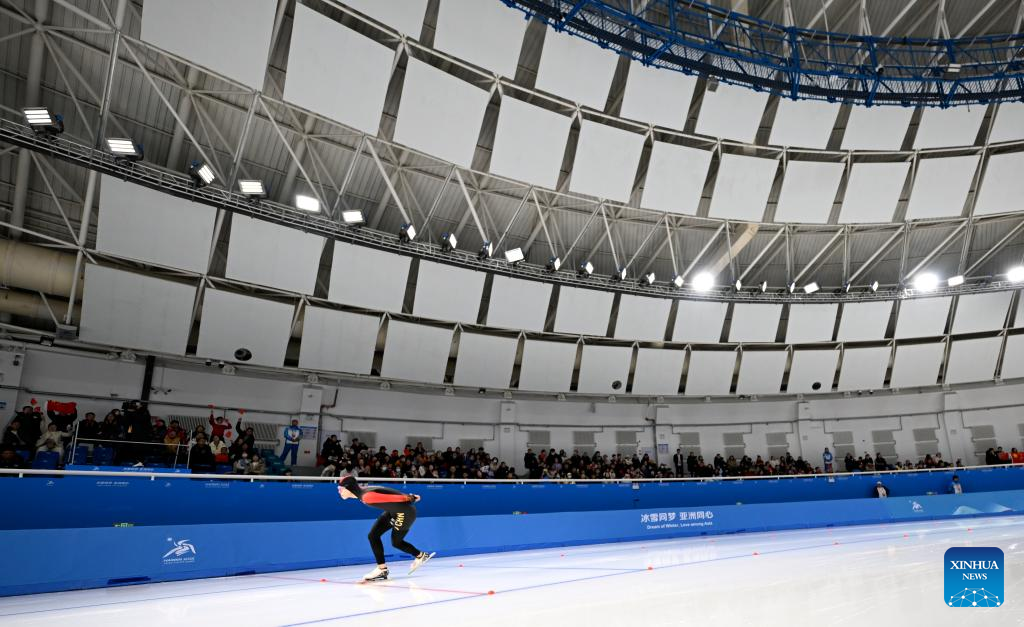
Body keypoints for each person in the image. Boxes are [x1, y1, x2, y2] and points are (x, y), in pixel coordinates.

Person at [336, 474, 435, 582]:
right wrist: (408, 496)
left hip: (405, 512)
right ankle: (382, 570)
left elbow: (393, 497)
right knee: (373, 536)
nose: (339, 491)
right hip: (394, 511)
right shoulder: (362, 492)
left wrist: (409, 497)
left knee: (396, 542)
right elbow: (387, 491)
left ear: (348, 488)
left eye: (340, 489)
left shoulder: (366, 496)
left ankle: (421, 556)